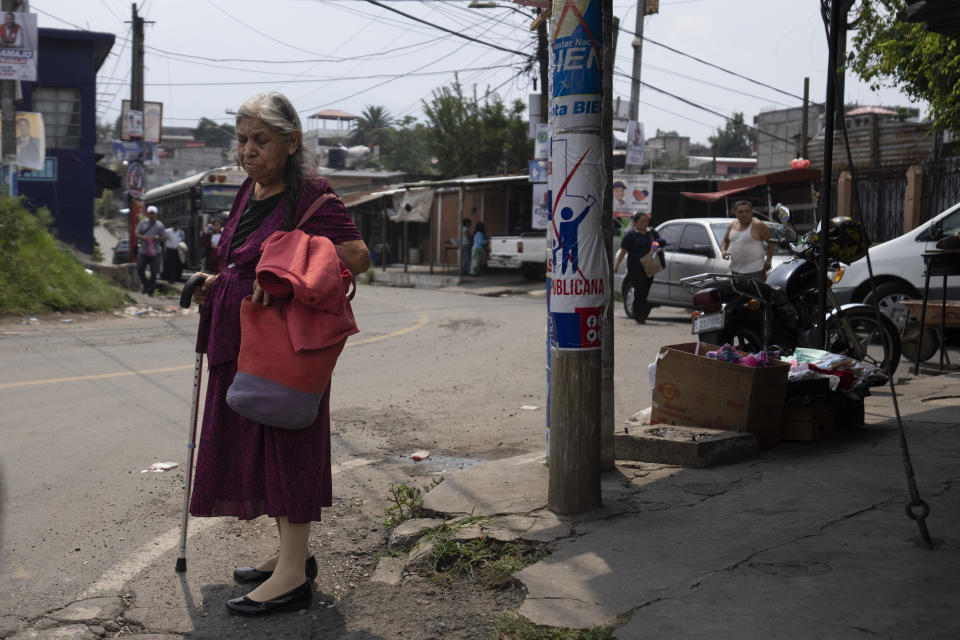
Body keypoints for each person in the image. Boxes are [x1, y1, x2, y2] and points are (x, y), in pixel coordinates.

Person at [188, 91, 369, 617]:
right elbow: (244, 263)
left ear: (292, 143)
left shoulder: (314, 196)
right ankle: (292, 556)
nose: (247, 150)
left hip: (283, 345)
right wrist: (214, 283)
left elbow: (356, 257)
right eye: (242, 139)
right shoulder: (250, 191)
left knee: (286, 443)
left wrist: (291, 279)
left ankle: (292, 577)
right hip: (237, 335)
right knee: (258, 443)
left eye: (260, 140)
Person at [613, 211, 665, 324]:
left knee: (645, 290)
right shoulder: (630, 235)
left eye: (647, 221)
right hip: (635, 267)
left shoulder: (651, 233)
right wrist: (616, 265)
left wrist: (656, 244)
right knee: (640, 288)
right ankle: (638, 314)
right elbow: (623, 251)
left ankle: (643, 312)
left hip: (650, 266)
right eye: (642, 221)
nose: (645, 223)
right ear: (636, 223)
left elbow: (661, 241)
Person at [720, 201, 774, 280]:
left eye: (746, 211)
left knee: (755, 292)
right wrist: (723, 251)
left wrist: (768, 261)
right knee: (737, 292)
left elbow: (772, 242)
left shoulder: (758, 224)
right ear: (736, 213)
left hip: (755, 271)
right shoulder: (732, 225)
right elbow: (725, 240)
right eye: (740, 212)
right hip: (736, 271)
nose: (744, 214)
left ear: (751, 212)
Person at [135, 205, 165, 296]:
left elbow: (164, 238)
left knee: (154, 272)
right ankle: (146, 285)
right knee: (140, 268)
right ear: (148, 214)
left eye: (153, 213)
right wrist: (143, 237)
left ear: (156, 214)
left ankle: (151, 291)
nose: (152, 215)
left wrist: (156, 237)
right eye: (150, 213)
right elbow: (136, 234)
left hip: (155, 252)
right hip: (143, 250)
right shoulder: (142, 223)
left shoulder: (160, 225)